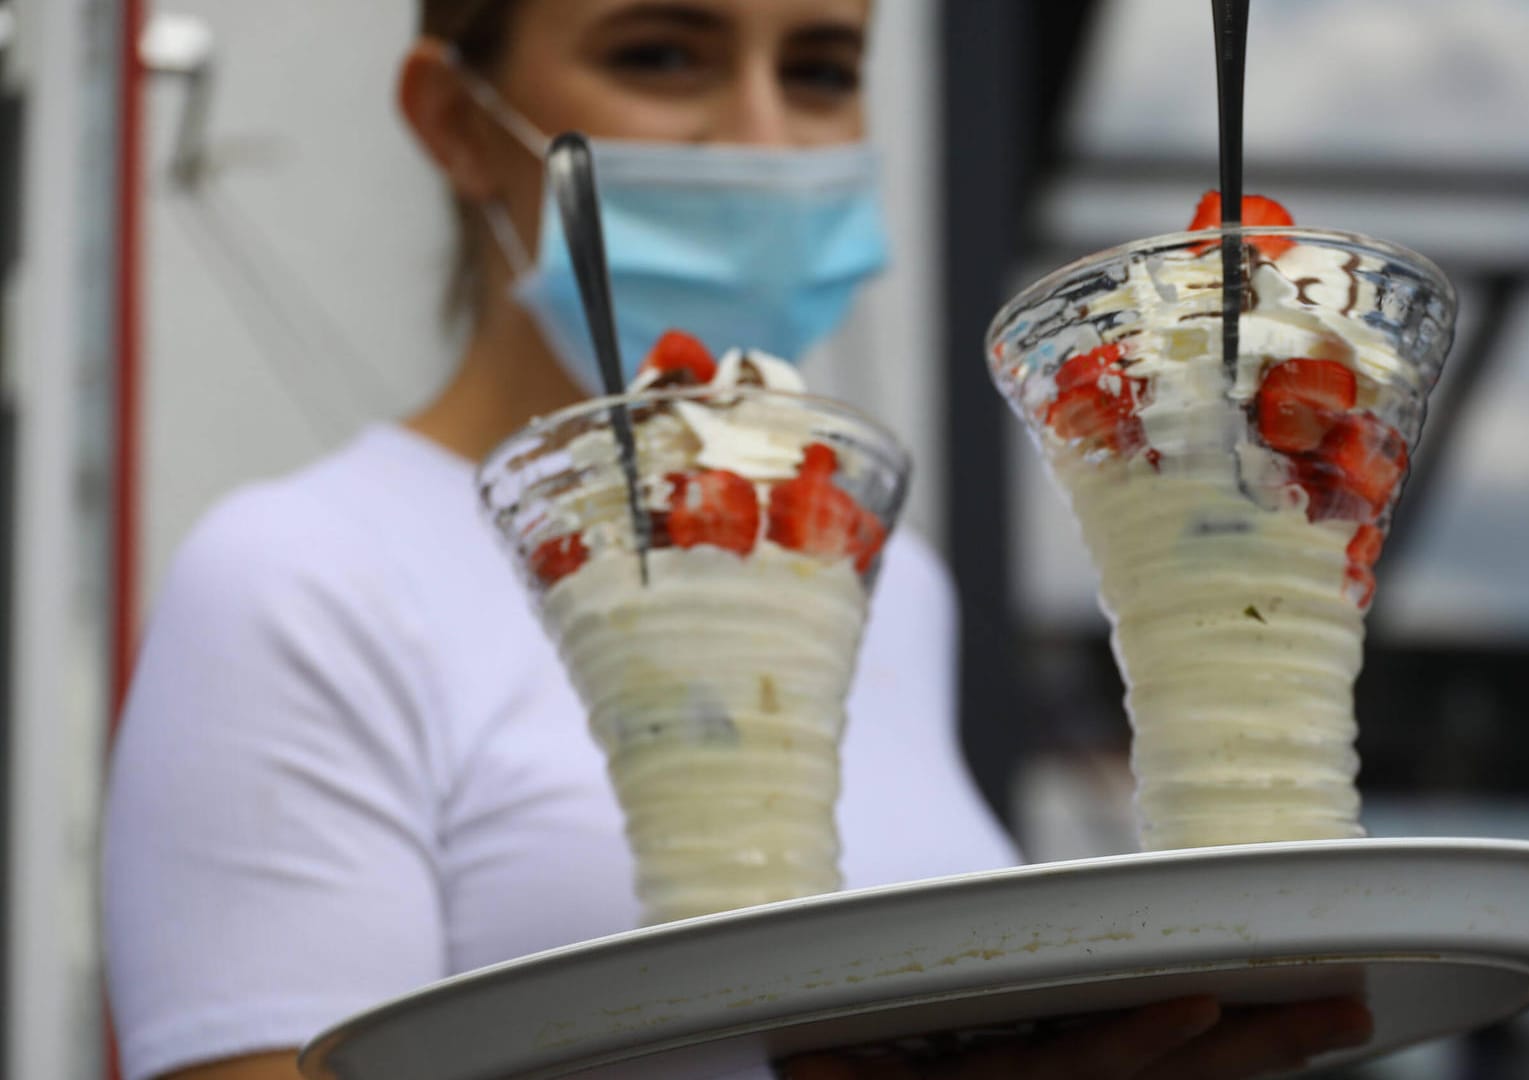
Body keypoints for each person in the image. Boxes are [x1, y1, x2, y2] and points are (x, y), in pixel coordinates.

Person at [102, 3, 1370, 1078]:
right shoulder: (301, 577)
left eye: (820, 69)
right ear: (454, 122)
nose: (765, 140)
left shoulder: (889, 578)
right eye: (661, 53)